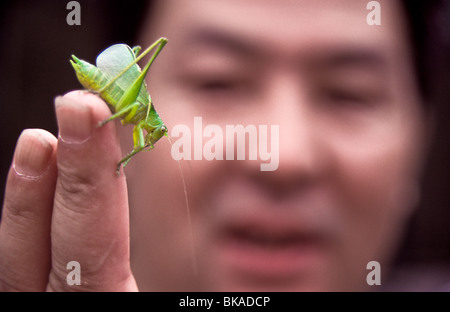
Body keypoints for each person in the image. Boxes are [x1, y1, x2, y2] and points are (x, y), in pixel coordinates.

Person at [0, 0, 444, 291]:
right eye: (218, 79)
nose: (283, 156)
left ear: (422, 139)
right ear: (112, 142)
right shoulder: (134, 122)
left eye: (350, 92)